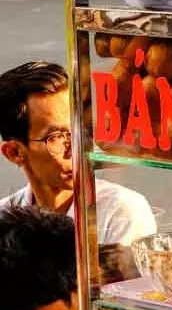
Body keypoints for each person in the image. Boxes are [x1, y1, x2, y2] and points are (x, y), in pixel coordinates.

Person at [0, 61, 157, 245]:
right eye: (56, 137)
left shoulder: (121, 213)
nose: (77, 146)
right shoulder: (4, 221)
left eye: (79, 128)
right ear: (14, 152)